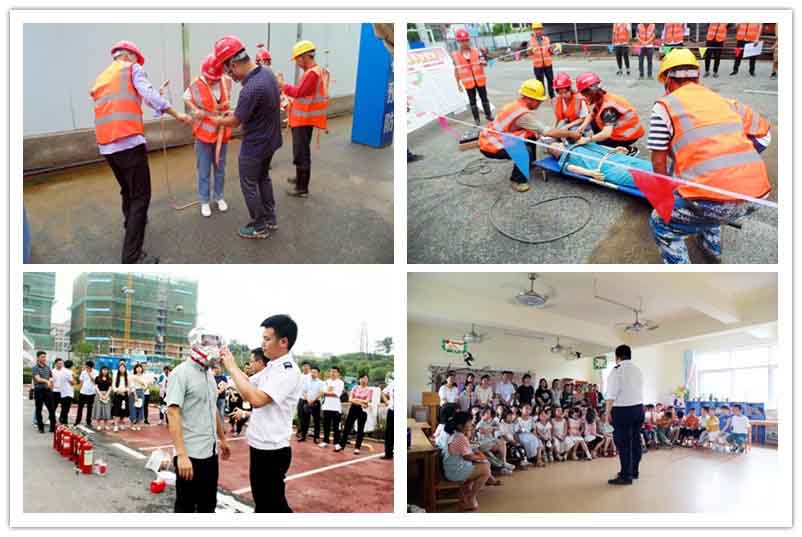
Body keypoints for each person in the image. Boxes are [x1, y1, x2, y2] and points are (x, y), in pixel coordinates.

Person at [648, 48, 771, 264]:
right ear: (697, 76)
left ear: (667, 79)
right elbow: (764, 133)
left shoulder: (664, 106)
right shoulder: (723, 101)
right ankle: (711, 249)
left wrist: (663, 200)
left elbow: (658, 161)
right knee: (707, 199)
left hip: (716, 203)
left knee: (661, 222)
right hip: (757, 198)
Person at [90, 40, 192, 263]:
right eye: (138, 59)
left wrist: (157, 97)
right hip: (128, 143)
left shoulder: (103, 77)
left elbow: (128, 102)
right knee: (141, 197)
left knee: (127, 190)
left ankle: (130, 224)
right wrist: (178, 114)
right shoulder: (132, 69)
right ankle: (132, 257)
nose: (139, 63)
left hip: (107, 146)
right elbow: (149, 95)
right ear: (131, 56)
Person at [219, 315, 302, 513]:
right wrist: (230, 374)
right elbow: (246, 383)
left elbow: (256, 399)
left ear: (283, 342)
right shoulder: (273, 366)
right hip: (260, 446)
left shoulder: (287, 370)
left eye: (267, 339)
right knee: (264, 503)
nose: (262, 344)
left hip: (272, 450)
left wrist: (231, 367)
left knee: (272, 505)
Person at [210, 35, 282, 238]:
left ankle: (258, 227)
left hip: (255, 146)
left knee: (249, 184)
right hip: (271, 140)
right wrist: (232, 113)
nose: (231, 77)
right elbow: (253, 109)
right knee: (263, 178)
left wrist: (213, 119)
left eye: (229, 71)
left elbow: (234, 122)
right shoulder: (267, 74)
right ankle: (270, 218)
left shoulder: (250, 88)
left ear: (234, 64)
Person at [167, 327, 231, 513]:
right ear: (196, 343)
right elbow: (173, 413)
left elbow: (213, 410)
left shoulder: (209, 375)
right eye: (209, 342)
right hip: (191, 454)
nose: (214, 347)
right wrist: (181, 455)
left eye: (216, 342)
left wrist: (223, 439)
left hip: (210, 453)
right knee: (186, 506)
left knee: (208, 504)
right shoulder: (181, 373)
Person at [478, 79, 581, 193]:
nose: (540, 104)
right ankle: (517, 180)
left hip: (498, 136)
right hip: (491, 144)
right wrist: (571, 133)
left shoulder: (518, 105)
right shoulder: (521, 114)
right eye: (538, 101)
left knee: (531, 134)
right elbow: (546, 131)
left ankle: (528, 163)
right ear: (529, 98)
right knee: (523, 150)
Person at [278, 40, 331, 197]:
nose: (297, 63)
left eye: (297, 59)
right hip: (304, 118)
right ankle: (299, 178)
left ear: (303, 57)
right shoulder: (314, 71)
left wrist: (282, 85)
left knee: (301, 153)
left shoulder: (312, 74)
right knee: (300, 151)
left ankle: (302, 188)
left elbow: (299, 92)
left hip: (304, 120)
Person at [183, 54, 233, 217]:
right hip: (204, 135)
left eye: (214, 78)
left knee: (220, 168)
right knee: (204, 169)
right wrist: (194, 110)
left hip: (221, 133)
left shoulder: (226, 81)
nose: (211, 81)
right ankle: (204, 200)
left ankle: (219, 197)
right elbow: (186, 97)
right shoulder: (196, 84)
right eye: (208, 78)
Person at [575, 71, 644, 153]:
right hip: (621, 129)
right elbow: (592, 114)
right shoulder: (600, 97)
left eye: (585, 95)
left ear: (590, 93)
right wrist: (582, 126)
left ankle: (629, 149)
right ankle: (605, 141)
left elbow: (606, 133)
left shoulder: (608, 109)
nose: (585, 98)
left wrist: (587, 139)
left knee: (600, 145)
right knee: (594, 123)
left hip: (628, 135)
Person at [604, 344, 644, 485]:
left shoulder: (616, 371)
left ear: (617, 357)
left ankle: (625, 476)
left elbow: (611, 395)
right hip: (639, 409)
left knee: (624, 443)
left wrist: (607, 413)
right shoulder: (637, 370)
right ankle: (634, 471)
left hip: (623, 411)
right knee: (635, 441)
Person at [545, 139, 653, 188]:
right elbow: (572, 168)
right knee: (638, 177)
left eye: (556, 145)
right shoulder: (563, 161)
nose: (555, 147)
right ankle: (666, 187)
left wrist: (614, 149)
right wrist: (591, 173)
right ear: (554, 155)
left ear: (561, 144)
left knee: (646, 165)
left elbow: (597, 146)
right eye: (552, 149)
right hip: (604, 169)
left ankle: (667, 175)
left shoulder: (578, 145)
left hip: (613, 157)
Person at [440, 412, 492, 511]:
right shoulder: (460, 438)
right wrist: (480, 458)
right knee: (486, 470)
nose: (471, 424)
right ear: (460, 426)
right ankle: (470, 498)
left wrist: (479, 458)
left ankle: (466, 492)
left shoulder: (455, 435)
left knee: (483, 465)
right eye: (469, 422)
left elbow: (466, 455)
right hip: (455, 472)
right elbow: (468, 457)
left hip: (452, 469)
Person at [452, 28, 492, 125]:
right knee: (472, 102)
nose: (464, 43)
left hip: (480, 80)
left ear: (469, 40)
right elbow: (456, 70)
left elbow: (484, 63)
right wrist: (458, 84)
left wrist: (485, 55)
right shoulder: (455, 55)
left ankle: (488, 115)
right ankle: (477, 120)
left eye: (466, 40)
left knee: (484, 99)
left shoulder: (477, 51)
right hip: (468, 83)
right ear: (458, 42)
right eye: (462, 41)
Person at [337, 373, 373, 454]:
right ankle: (341, 445)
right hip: (353, 408)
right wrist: (361, 401)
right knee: (347, 427)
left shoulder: (370, 390)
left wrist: (356, 400)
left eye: (366, 379)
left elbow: (367, 401)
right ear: (359, 379)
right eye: (362, 378)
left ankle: (357, 448)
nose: (364, 380)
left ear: (368, 381)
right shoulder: (355, 387)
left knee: (360, 429)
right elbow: (350, 399)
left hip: (363, 411)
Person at [528, 23, 555, 99]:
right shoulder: (530, 41)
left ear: (542, 30)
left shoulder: (546, 39)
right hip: (537, 65)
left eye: (539, 29)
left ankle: (552, 95)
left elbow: (550, 51)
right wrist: (530, 51)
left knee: (551, 80)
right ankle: (542, 96)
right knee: (540, 83)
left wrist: (552, 50)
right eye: (536, 29)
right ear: (533, 30)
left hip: (548, 64)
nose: (538, 31)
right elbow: (529, 54)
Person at [298, 365, 324, 443]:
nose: (313, 373)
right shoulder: (307, 381)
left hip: (316, 402)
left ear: (318, 373)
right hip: (306, 401)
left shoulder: (321, 382)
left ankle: (316, 437)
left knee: (316, 421)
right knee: (304, 420)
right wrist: (307, 399)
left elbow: (321, 392)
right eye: (312, 372)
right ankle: (303, 436)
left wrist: (313, 400)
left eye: (314, 372)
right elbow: (304, 391)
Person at [32, 351, 56, 433]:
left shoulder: (48, 367)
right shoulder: (35, 368)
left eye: (45, 357)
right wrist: (47, 381)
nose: (44, 358)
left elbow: (51, 377)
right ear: (38, 358)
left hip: (48, 391)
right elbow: (38, 379)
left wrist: (51, 382)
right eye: (42, 357)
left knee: (52, 409)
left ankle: (53, 427)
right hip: (39, 391)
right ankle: (40, 428)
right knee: (39, 409)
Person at [320, 366, 344, 448]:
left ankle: (336, 443)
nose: (332, 373)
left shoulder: (340, 382)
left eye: (334, 372)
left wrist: (329, 392)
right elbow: (323, 392)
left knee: (336, 427)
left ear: (338, 373)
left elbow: (337, 394)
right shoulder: (326, 381)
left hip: (336, 408)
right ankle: (325, 441)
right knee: (326, 425)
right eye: (331, 371)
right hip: (326, 406)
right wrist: (330, 391)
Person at [74, 360, 97, 427]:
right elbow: (81, 381)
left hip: (92, 392)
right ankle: (77, 421)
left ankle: (88, 421)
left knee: (90, 408)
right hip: (83, 392)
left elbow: (95, 381)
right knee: (80, 407)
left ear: (91, 367)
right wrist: (79, 390)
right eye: (86, 366)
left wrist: (89, 374)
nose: (86, 368)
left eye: (87, 367)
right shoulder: (83, 372)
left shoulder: (95, 372)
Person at [54, 359, 76, 425]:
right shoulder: (69, 372)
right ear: (71, 366)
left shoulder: (62, 371)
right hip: (68, 392)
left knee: (63, 408)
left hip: (61, 391)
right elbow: (72, 383)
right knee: (66, 409)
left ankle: (63, 421)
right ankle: (62, 421)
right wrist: (74, 379)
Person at [129, 363, 149, 431]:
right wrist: (135, 395)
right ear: (135, 369)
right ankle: (133, 424)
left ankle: (138, 424)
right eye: (137, 367)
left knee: (140, 408)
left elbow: (145, 386)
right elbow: (132, 386)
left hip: (141, 393)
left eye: (140, 367)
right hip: (133, 393)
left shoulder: (144, 377)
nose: (139, 369)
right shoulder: (132, 376)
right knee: (133, 408)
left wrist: (142, 384)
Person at [111, 360, 130, 432]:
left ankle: (121, 424)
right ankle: (116, 425)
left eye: (123, 367)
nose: (122, 369)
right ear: (118, 368)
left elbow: (129, 386)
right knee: (116, 410)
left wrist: (124, 391)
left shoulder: (127, 377)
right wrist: (118, 391)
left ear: (125, 369)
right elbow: (113, 386)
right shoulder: (116, 375)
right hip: (117, 395)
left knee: (123, 410)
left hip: (124, 395)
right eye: (120, 367)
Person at [93, 366, 113, 430]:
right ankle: (98, 425)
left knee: (106, 409)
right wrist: (100, 394)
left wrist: (107, 395)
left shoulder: (109, 378)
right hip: (99, 395)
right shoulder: (97, 378)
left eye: (106, 370)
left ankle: (106, 424)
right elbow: (96, 387)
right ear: (101, 370)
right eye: (103, 370)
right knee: (99, 409)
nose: (105, 371)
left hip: (107, 395)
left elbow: (110, 387)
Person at [296, 362, 312, 439]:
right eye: (304, 366)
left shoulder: (311, 377)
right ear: (302, 367)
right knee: (300, 415)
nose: (305, 368)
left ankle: (304, 432)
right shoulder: (299, 376)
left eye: (307, 366)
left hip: (308, 399)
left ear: (309, 368)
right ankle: (299, 431)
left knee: (306, 417)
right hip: (300, 398)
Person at [382, 374, 394, 459]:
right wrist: (387, 401)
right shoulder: (393, 383)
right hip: (392, 410)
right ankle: (388, 453)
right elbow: (383, 393)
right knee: (389, 433)